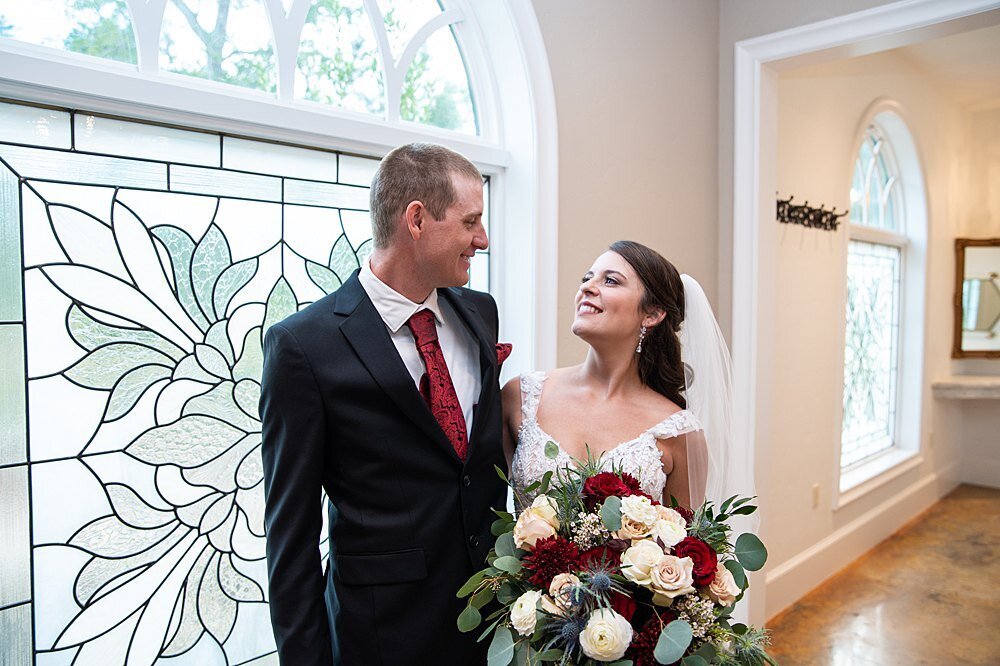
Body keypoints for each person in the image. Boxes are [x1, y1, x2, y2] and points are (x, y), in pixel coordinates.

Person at [260, 143, 508, 665]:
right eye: (470, 222)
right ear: (416, 220)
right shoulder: (304, 347)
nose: (481, 240)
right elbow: (291, 538)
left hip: (496, 628)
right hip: (379, 637)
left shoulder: (480, 313)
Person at [504, 240, 741, 511]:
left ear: (651, 314)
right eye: (588, 278)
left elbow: (686, 547)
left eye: (611, 281)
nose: (587, 287)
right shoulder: (522, 396)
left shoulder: (680, 432)